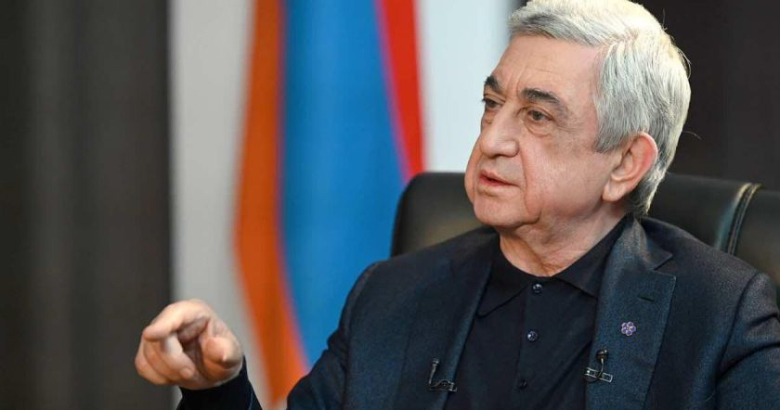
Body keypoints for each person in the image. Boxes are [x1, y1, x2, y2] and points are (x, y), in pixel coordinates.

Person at [136, 0, 780, 408]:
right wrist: (217, 389)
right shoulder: (392, 295)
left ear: (624, 164)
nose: (492, 139)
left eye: (536, 116)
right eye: (492, 104)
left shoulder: (720, 313)